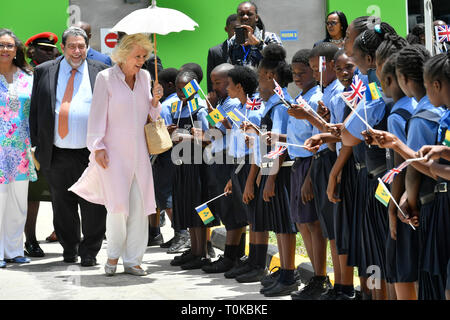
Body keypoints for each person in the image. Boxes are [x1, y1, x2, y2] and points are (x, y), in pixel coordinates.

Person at [70, 33, 163, 276]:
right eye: (137, 56)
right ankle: (112, 256)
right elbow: (98, 114)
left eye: (144, 56)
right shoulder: (105, 78)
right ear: (123, 55)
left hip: (140, 155)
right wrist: (97, 147)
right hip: (113, 153)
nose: (142, 60)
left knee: (140, 206)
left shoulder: (144, 77)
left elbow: (151, 117)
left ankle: (133, 260)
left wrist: (155, 100)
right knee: (117, 208)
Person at [29, 27, 108, 267]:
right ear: (63, 48)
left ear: (87, 47)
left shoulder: (101, 72)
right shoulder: (44, 71)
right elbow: (36, 111)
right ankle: (69, 247)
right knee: (62, 204)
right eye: (72, 46)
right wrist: (36, 146)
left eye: (81, 46)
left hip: (91, 153)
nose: (77, 51)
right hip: (57, 151)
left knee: (93, 204)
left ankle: (90, 250)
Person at [340, 22, 398, 300]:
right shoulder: (372, 84)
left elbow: (349, 136)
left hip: (381, 180)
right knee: (377, 255)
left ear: (371, 59)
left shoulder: (377, 88)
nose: (348, 53)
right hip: (376, 177)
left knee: (379, 254)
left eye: (350, 41)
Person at [201, 63, 248, 274]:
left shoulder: (231, 103)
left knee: (231, 209)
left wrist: (211, 110)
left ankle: (231, 255)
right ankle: (234, 254)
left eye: (219, 83)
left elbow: (219, 130)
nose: (215, 87)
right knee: (227, 207)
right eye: (213, 83)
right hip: (219, 157)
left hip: (228, 157)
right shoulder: (222, 103)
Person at [169, 70, 219, 270]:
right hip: (182, 163)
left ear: (194, 87)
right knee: (188, 206)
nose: (182, 92)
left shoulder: (200, 109)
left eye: (186, 88)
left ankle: (204, 251)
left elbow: (209, 137)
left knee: (201, 207)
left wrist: (185, 137)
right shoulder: (177, 108)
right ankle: (194, 249)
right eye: (178, 88)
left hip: (199, 165)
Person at [0, 29, 36, 268]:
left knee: (18, 201)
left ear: (17, 50)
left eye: (9, 45)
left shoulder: (28, 76)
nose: (5, 50)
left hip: (22, 148)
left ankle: (13, 250)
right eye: (1, 45)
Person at [23, 32, 60, 257]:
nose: (50, 53)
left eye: (51, 50)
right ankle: (31, 239)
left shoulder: (58, 72)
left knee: (60, 193)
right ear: (31, 51)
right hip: (32, 144)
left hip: (57, 142)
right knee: (33, 195)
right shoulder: (24, 74)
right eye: (44, 49)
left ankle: (63, 234)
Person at [152, 67, 191, 253]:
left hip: (167, 154)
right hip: (181, 155)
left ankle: (182, 233)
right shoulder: (177, 102)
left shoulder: (167, 105)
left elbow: (163, 131)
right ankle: (179, 233)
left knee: (167, 196)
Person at [228, 1, 282, 68]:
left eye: (249, 14)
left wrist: (259, 44)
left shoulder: (270, 37)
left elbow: (280, 60)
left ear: (256, 17)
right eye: (241, 14)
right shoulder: (233, 41)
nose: (245, 17)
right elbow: (230, 67)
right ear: (237, 18)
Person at [207, 14, 238, 93]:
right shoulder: (215, 51)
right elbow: (211, 81)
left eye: (241, 29)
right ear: (226, 29)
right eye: (235, 29)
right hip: (223, 98)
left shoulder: (250, 49)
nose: (238, 32)